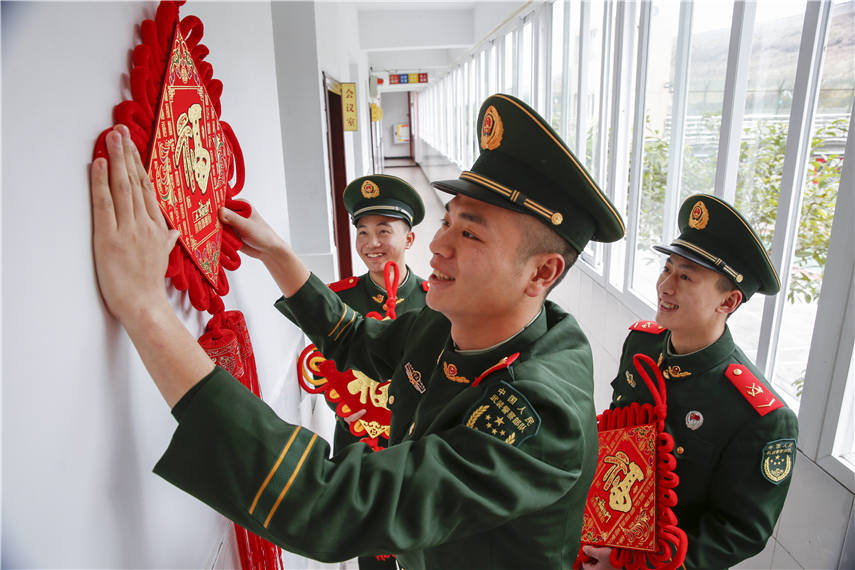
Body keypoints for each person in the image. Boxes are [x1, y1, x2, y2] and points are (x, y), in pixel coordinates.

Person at [91, 93, 625, 569]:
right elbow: (353, 339)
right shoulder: (450, 324)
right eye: (447, 220)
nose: (438, 246)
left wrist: (145, 309)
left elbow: (329, 503)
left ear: (541, 272)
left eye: (470, 234)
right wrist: (276, 253)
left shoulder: (539, 416)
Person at [581, 195, 798, 570]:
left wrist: (638, 564)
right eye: (667, 269)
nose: (665, 286)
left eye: (685, 277)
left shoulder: (760, 415)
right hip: (605, 531)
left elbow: (740, 531)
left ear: (728, 302)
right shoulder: (643, 344)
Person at [333, 175, 429, 570]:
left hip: (419, 445)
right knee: (371, 547)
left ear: (409, 238)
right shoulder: (338, 301)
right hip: (359, 440)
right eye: (363, 232)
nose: (371, 242)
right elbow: (329, 370)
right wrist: (343, 408)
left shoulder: (435, 302)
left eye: (384, 230)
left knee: (421, 541)